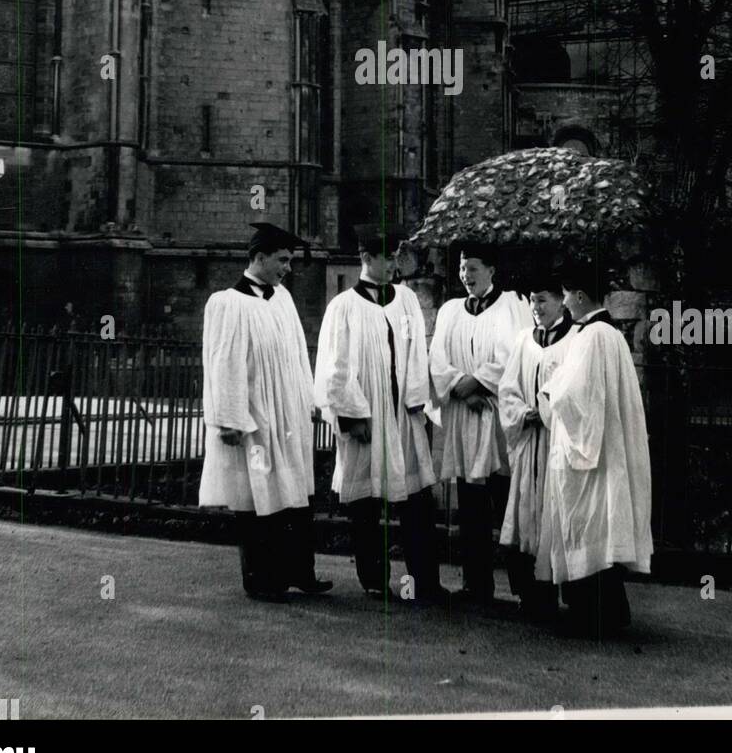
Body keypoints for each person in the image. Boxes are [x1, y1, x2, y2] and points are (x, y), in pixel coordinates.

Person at [198, 222, 332, 602]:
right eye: (282, 260)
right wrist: (228, 419)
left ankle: (300, 573)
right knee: (259, 497)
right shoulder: (228, 303)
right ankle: (262, 579)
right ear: (259, 258)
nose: (287, 268)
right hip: (255, 415)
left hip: (288, 414)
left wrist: (309, 400)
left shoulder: (282, 298)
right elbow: (223, 362)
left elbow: (296, 354)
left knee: (294, 493)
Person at [314, 223, 444, 601]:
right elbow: (335, 366)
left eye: (396, 257)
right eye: (385, 257)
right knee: (367, 504)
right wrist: (353, 416)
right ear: (366, 259)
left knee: (416, 500)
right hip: (368, 419)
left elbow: (416, 349)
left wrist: (418, 399)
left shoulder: (405, 300)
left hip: (403, 414)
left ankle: (424, 582)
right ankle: (374, 580)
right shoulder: (343, 307)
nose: (393, 264)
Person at [535, 257, 653, 637]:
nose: (565, 303)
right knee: (598, 529)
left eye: (567, 295)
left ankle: (595, 614)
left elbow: (575, 396)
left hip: (590, 455)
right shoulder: (610, 335)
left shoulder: (592, 337)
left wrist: (548, 390)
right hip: (604, 449)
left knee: (588, 527)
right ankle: (607, 610)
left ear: (580, 295)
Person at [430, 244, 533, 603]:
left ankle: (525, 587)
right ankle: (477, 584)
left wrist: (477, 384)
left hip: (495, 418)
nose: (466, 275)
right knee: (471, 505)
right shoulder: (450, 311)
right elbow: (437, 358)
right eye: (462, 267)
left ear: (491, 270)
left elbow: (513, 356)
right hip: (464, 416)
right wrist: (461, 387)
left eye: (473, 267)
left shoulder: (512, 307)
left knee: (507, 502)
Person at [498, 274, 576, 620]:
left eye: (543, 300)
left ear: (561, 300)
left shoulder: (574, 340)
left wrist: (549, 414)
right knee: (525, 515)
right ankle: (530, 595)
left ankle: (567, 593)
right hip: (529, 441)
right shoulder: (524, 342)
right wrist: (522, 413)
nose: (536, 308)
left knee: (556, 516)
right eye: (531, 300)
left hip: (557, 442)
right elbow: (507, 389)